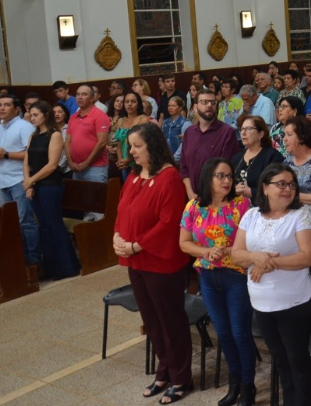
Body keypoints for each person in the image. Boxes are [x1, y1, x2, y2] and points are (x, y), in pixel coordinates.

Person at [112, 123, 193, 404]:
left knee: (170, 320)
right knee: (151, 320)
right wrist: (117, 236)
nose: (130, 151)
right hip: (136, 259)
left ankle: (182, 377)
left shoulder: (169, 177)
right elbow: (122, 209)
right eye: (130, 146)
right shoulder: (135, 175)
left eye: (136, 146)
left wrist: (136, 244)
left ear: (153, 146)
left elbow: (168, 222)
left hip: (161, 260)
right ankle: (164, 372)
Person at [232, 164, 311, 406]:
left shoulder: (300, 216)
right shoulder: (251, 215)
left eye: (292, 184)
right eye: (281, 184)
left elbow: (308, 257)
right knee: (280, 361)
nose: (288, 189)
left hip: (293, 302)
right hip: (261, 303)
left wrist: (269, 262)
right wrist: (254, 258)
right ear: (264, 187)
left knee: (297, 361)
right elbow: (237, 254)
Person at [178, 159, 255, 406]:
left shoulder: (242, 205)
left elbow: (253, 243)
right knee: (222, 332)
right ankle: (234, 384)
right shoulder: (193, 207)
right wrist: (204, 252)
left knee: (239, 333)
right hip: (208, 278)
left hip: (236, 277)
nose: (227, 181)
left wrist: (229, 250)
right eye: (220, 176)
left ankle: (248, 386)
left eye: (230, 176)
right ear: (208, 178)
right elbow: (184, 243)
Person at [23, 101, 80, 279]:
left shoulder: (54, 135)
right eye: (31, 115)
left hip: (50, 185)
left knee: (54, 225)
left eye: (35, 115)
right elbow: (27, 161)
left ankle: (67, 267)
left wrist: (31, 180)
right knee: (44, 227)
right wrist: (29, 183)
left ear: (45, 115)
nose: (32, 118)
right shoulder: (33, 135)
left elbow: (52, 165)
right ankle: (51, 268)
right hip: (36, 185)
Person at [0, 96, 40, 266]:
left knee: (25, 221)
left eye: (6, 105)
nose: (1, 108)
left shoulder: (24, 127)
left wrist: (6, 154)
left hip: (20, 180)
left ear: (16, 109)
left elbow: (31, 153)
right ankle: (20, 259)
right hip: (2, 181)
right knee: (10, 223)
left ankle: (33, 261)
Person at [179, 89, 241, 201]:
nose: (209, 105)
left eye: (212, 103)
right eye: (204, 102)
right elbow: (184, 167)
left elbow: (226, 168)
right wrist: (190, 192)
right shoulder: (189, 132)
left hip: (217, 198)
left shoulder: (227, 132)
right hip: (191, 197)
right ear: (195, 107)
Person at [231, 115, 283, 204]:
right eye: (242, 129)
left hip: (262, 208)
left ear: (260, 134)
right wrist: (233, 190)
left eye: (248, 129)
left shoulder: (272, 156)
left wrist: (251, 192)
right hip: (235, 208)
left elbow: (277, 187)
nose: (243, 133)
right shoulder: (236, 158)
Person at [66, 84, 111, 182]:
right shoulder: (73, 118)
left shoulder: (100, 116)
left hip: (96, 168)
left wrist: (86, 163)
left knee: (97, 197)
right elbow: (68, 142)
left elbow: (102, 142)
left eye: (84, 94)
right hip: (76, 167)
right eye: (78, 94)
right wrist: (70, 162)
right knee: (80, 197)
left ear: (92, 98)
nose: (80, 97)